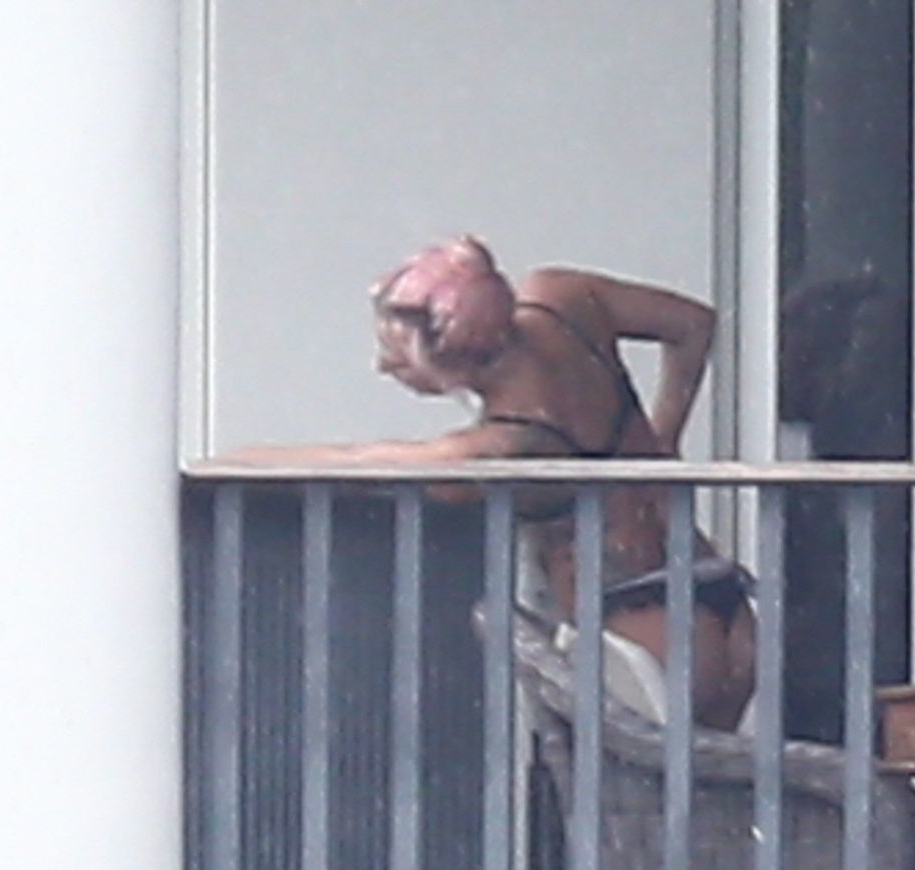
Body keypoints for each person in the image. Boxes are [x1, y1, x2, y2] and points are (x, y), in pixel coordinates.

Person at [226, 234, 756, 731]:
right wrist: (664, 440)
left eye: (395, 355)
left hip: (643, 634)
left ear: (452, 365)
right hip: (720, 603)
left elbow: (357, 463)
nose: (383, 366)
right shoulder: (563, 300)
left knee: (615, 796)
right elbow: (693, 324)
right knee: (703, 791)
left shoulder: (505, 445)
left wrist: (227, 461)